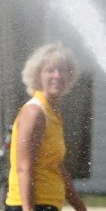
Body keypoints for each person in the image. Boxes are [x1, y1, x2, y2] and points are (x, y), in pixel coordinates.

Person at [5, 42, 87, 211]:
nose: (57, 75)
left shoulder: (52, 113)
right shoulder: (35, 112)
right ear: (38, 76)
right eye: (50, 70)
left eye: (62, 70)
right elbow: (23, 168)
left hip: (48, 204)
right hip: (29, 205)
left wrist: (79, 207)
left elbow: (56, 166)